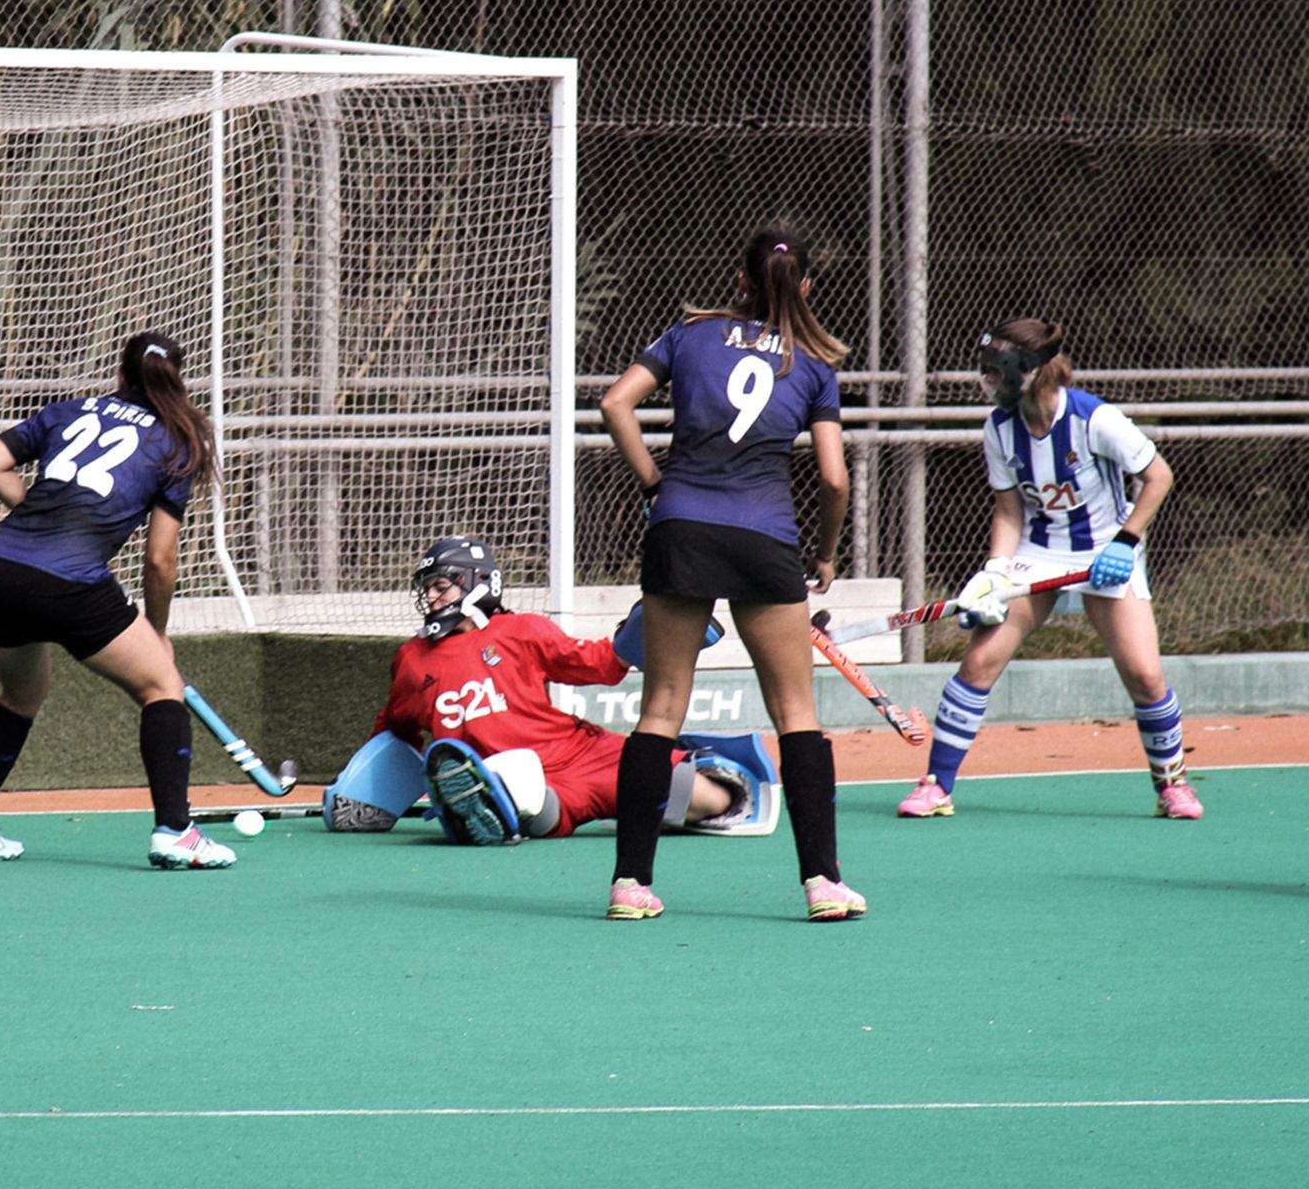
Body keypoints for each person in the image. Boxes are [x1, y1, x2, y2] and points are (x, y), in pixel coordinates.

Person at [598, 226, 856, 922]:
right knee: (795, 712)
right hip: (766, 536)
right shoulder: (815, 362)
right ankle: (823, 884)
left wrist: (656, 482)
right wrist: (826, 552)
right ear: (805, 287)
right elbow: (833, 478)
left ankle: (630, 884)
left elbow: (616, 403)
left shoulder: (689, 335)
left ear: (738, 281)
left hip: (680, 526)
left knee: (660, 709)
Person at [0, 331, 234, 870]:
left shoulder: (67, 411)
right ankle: (175, 832)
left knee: (23, 694)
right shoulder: (178, 439)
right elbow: (160, 560)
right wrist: (158, 633)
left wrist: (38, 515)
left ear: (119, 376)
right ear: (178, 380)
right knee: (161, 686)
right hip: (68, 580)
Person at [894, 319, 1201, 824]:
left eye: (998, 372)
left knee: (1145, 675)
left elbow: (1158, 476)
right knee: (979, 663)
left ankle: (1172, 784)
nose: (988, 382)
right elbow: (1010, 510)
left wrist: (1127, 541)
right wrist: (995, 573)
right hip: (1039, 555)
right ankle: (936, 785)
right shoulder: (999, 426)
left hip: (1106, 552)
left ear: (1032, 372)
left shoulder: (1093, 419)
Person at [323, 537, 779, 842]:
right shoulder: (411, 659)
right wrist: (359, 788)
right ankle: (491, 810)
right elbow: (395, 732)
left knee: (720, 799)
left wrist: (652, 630)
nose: (433, 598)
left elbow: (602, 665)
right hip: (520, 779)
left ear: (477, 585)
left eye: (442, 586)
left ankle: (502, 810)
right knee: (527, 795)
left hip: (586, 754)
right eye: (429, 589)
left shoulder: (521, 631)